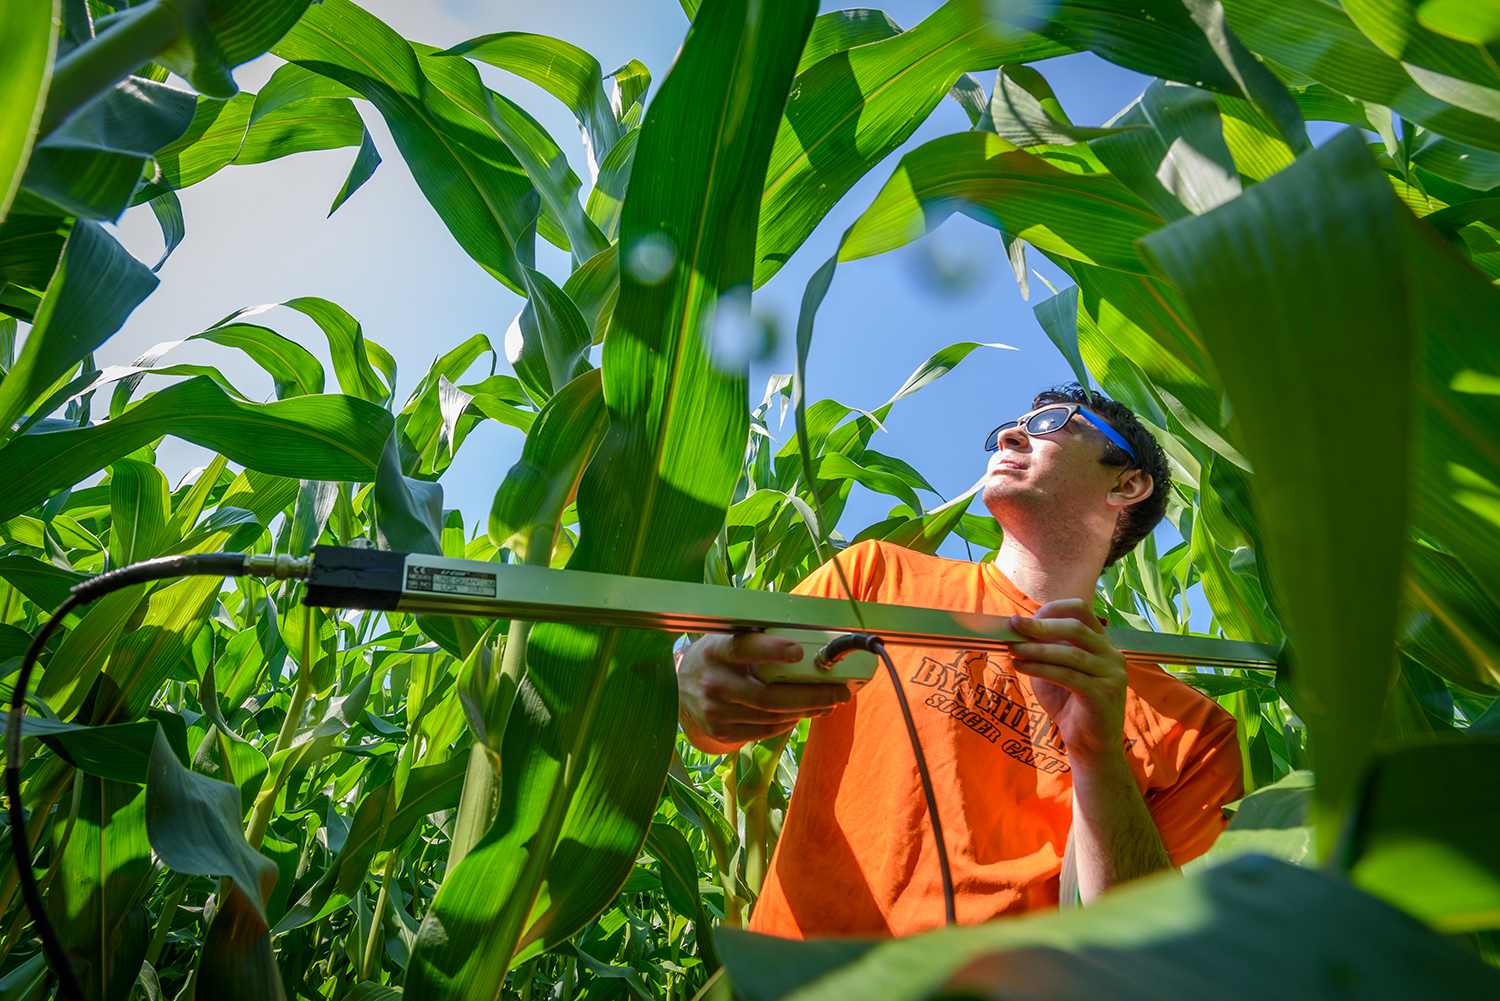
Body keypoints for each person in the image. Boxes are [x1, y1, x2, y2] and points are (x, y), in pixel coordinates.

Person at [676, 384, 1243, 938]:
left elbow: (1138, 941)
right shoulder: (876, 579)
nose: (1011, 435)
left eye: (1050, 423)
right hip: (792, 974)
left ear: (1128, 483)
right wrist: (692, 679)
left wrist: (1099, 756)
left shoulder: (1195, 733)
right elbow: (716, 721)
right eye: (1007, 428)